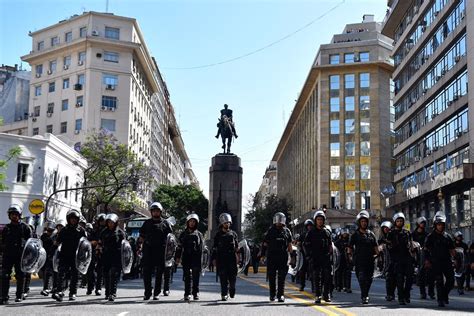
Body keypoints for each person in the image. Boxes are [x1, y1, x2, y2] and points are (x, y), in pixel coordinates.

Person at [139, 202, 172, 300]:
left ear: (160, 212)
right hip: (148, 250)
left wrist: (170, 253)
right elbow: (141, 237)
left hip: (161, 251)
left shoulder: (165, 223)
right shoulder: (147, 223)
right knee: (146, 272)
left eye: (157, 211)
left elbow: (171, 238)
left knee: (159, 273)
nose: (155, 213)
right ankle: (147, 292)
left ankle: (156, 293)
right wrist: (139, 247)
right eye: (154, 211)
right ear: (151, 212)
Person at [1, 204, 32, 304]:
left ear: (19, 215)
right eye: (12, 214)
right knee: (4, 275)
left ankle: (19, 295)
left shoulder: (25, 228)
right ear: (9, 216)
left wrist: (28, 257)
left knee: (20, 275)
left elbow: (31, 244)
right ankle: (4, 296)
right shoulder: (6, 228)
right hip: (8, 255)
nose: (14, 216)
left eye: (16, 214)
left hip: (21, 256)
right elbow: (2, 242)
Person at [53, 209, 87, 301]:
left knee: (74, 275)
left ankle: (73, 293)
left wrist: (83, 256)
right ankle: (60, 291)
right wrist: (55, 241)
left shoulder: (81, 231)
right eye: (71, 218)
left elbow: (85, 244)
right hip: (64, 255)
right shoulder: (64, 230)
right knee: (61, 274)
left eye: (75, 219)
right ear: (68, 219)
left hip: (76, 257)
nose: (73, 220)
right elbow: (57, 242)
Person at [424, 212, 455, 307]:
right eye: (438, 225)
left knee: (451, 281)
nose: (440, 226)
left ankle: (444, 295)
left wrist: (455, 259)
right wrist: (427, 260)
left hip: (447, 261)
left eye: (442, 225)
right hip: (435, 262)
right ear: (435, 225)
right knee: (439, 281)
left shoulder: (448, 236)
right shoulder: (430, 237)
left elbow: (452, 250)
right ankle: (440, 299)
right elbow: (425, 250)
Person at [348, 210, 378, 304]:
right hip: (359, 261)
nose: (364, 223)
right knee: (361, 278)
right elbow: (349, 247)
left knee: (369, 279)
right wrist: (350, 257)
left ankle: (365, 295)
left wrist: (378, 256)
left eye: (365, 221)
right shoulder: (355, 235)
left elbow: (376, 248)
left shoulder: (371, 234)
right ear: (359, 222)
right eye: (362, 221)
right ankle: (364, 296)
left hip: (370, 261)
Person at [261, 212, 292, 302]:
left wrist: (293, 257)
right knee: (272, 276)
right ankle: (272, 294)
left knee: (282, 277)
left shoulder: (287, 231)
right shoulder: (270, 231)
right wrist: (263, 255)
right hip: (272, 257)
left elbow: (289, 245)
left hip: (283, 257)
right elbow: (265, 244)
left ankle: (280, 295)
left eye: (280, 220)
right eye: (277, 220)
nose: (279, 222)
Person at [304, 210, 332, 303]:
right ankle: (318, 295)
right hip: (315, 257)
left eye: (321, 219)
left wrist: (331, 254)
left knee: (327, 276)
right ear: (315, 220)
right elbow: (306, 245)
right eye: (318, 219)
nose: (320, 221)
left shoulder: (327, 232)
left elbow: (330, 245)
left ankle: (326, 294)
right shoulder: (311, 232)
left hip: (325, 257)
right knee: (317, 277)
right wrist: (309, 255)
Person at [386, 212, 413, 305]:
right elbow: (388, 247)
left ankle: (406, 295)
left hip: (407, 258)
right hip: (396, 259)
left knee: (410, 278)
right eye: (398, 221)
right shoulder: (391, 233)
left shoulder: (407, 232)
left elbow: (411, 244)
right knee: (399, 279)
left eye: (401, 221)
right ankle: (401, 297)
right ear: (395, 222)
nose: (400, 222)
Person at [176, 213, 204, 301]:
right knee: (187, 276)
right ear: (187, 222)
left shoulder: (199, 234)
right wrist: (177, 257)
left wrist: (203, 261)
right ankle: (187, 293)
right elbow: (179, 247)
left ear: (196, 223)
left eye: (194, 222)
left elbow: (202, 248)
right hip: (186, 257)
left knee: (196, 276)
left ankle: (195, 293)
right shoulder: (183, 234)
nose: (192, 223)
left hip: (196, 258)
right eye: (190, 221)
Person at [212, 213, 239, 301]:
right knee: (223, 277)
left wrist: (239, 257)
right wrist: (213, 259)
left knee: (232, 277)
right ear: (222, 224)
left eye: (228, 223)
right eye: (225, 223)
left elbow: (237, 248)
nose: (227, 224)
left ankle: (232, 289)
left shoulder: (234, 234)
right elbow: (214, 248)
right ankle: (224, 293)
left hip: (232, 259)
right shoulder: (218, 235)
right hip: (221, 259)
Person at [100, 213, 126, 302]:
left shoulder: (120, 233)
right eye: (109, 222)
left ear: (115, 222)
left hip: (116, 256)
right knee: (106, 274)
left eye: (112, 222)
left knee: (113, 274)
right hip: (106, 255)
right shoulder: (104, 232)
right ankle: (107, 292)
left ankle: (112, 293)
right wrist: (98, 249)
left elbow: (125, 245)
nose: (110, 224)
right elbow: (100, 242)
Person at [412, 216, 435, 299]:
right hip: (417, 257)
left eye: (424, 223)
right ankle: (422, 293)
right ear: (418, 224)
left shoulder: (427, 234)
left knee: (431, 275)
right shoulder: (413, 234)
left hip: (427, 256)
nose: (423, 224)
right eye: (422, 223)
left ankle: (431, 292)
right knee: (421, 275)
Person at [87, 213, 106, 296]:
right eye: (101, 221)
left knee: (100, 271)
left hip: (103, 253)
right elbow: (88, 241)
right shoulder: (94, 231)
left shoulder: (107, 231)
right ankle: (90, 287)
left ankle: (98, 288)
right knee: (90, 270)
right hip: (93, 252)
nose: (102, 223)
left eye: (104, 221)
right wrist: (93, 242)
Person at [378, 220, 396, 301]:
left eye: (387, 228)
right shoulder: (381, 239)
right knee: (389, 278)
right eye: (384, 228)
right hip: (386, 260)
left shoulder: (394, 236)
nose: (385, 229)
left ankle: (393, 294)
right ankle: (389, 294)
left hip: (395, 259)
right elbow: (378, 249)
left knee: (395, 278)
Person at [40, 220, 56, 296]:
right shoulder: (43, 236)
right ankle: (46, 287)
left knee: (54, 272)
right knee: (45, 272)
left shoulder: (56, 236)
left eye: (50, 230)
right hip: (45, 256)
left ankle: (53, 288)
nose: (48, 231)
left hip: (55, 256)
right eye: (47, 229)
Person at [297, 219, 313, 291]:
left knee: (313, 271)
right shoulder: (303, 235)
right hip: (304, 255)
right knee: (302, 271)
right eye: (308, 226)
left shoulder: (314, 233)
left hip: (312, 255)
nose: (309, 227)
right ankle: (302, 285)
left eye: (310, 226)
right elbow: (299, 244)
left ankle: (314, 287)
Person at [335, 228, 352, 293]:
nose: (345, 234)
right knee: (339, 273)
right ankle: (339, 286)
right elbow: (335, 250)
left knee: (348, 273)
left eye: (346, 233)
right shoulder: (338, 242)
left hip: (347, 259)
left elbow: (353, 249)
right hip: (340, 259)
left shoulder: (350, 241)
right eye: (343, 233)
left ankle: (348, 287)